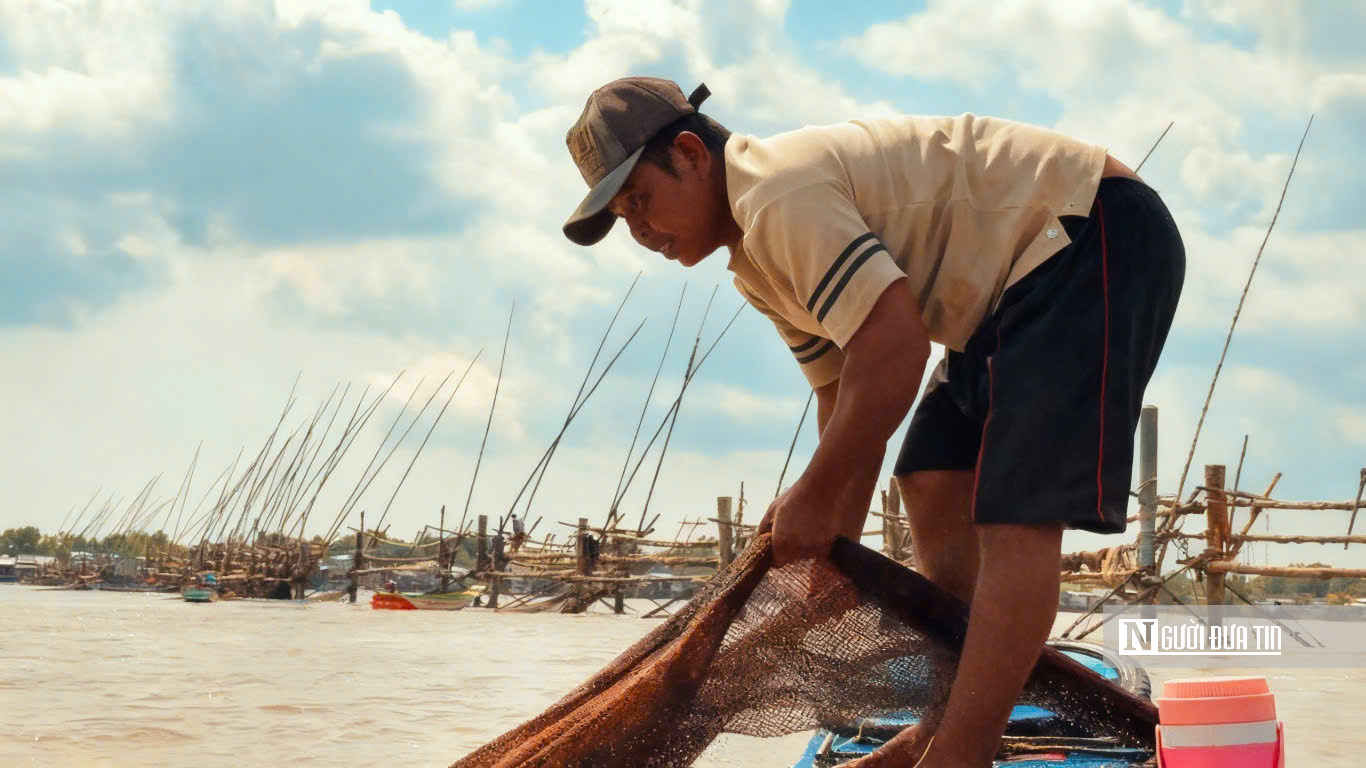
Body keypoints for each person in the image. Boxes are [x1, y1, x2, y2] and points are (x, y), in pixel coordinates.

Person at [560, 77, 1184, 767]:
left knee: (1013, 513)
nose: (640, 231)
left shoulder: (776, 195)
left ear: (690, 153)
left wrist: (814, 494)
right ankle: (942, 726)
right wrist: (835, 545)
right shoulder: (754, 265)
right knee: (933, 476)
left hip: (1088, 228)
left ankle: (961, 753)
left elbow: (894, 351)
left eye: (639, 200)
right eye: (622, 217)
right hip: (1008, 290)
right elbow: (842, 392)